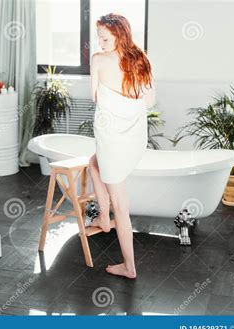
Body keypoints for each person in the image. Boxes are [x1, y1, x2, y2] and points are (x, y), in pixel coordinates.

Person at [88, 13, 154, 279]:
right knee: (93, 164)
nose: (100, 43)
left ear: (119, 35)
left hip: (113, 140)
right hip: (134, 137)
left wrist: (111, 100)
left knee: (122, 208)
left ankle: (129, 267)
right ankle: (104, 217)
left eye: (105, 38)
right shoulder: (141, 59)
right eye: (99, 38)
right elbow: (148, 103)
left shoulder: (99, 61)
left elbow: (94, 98)